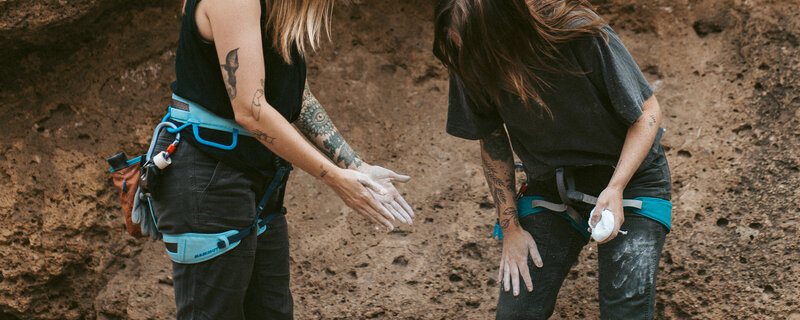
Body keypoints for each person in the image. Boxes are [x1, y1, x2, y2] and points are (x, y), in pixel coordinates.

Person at [147, 0, 414, 318]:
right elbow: (251, 110)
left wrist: (356, 166)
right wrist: (334, 178)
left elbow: (295, 94)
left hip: (258, 177)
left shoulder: (274, 7)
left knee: (273, 311)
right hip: (207, 173)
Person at [433, 0, 672, 319]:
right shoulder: (468, 56)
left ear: (504, 26)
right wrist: (511, 229)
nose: (465, 55)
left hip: (630, 179)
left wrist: (615, 188)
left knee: (625, 312)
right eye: (456, 43)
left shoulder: (580, 32)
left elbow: (647, 113)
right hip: (551, 186)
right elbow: (492, 139)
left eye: (473, 44)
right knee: (517, 311)